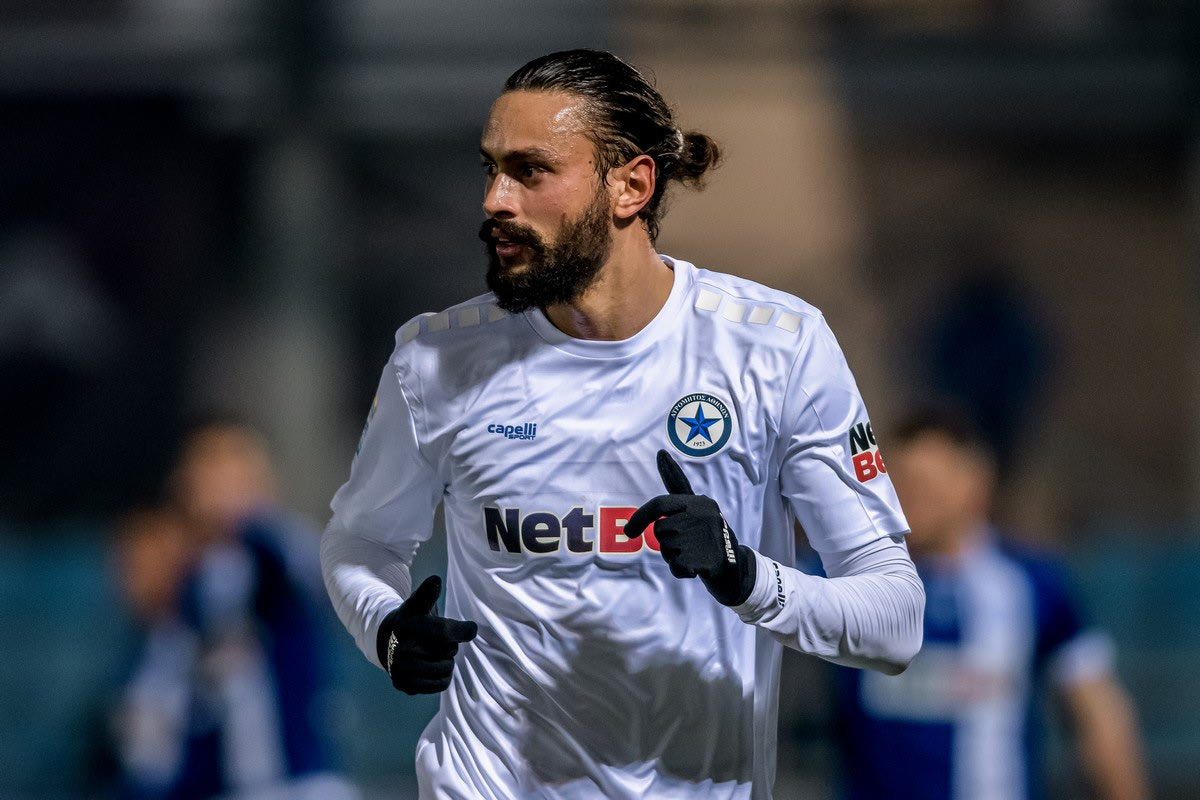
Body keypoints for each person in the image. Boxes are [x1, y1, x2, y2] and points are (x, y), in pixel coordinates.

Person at [321, 49, 924, 799]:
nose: (495, 200)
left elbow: (894, 619)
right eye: (491, 170)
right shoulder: (435, 360)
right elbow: (362, 541)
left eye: (531, 171)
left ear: (631, 186)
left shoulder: (776, 348)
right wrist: (385, 626)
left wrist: (746, 577)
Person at [833, 406, 1149, 800]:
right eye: (901, 484)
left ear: (975, 483)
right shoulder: (852, 579)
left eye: (927, 485)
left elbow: (1099, 715)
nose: (909, 499)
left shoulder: (1032, 585)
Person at [110, 420, 358, 800]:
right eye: (208, 468)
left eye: (233, 465)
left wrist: (250, 518)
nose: (220, 482)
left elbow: (317, 573)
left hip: (303, 783)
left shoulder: (283, 551)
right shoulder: (193, 589)